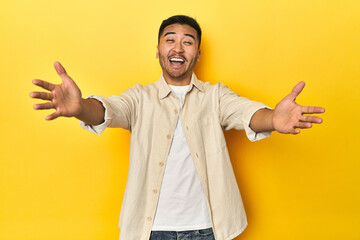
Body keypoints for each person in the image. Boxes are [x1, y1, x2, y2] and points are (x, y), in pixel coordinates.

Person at [30, 15, 325, 240]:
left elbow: (247, 114)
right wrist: (81, 107)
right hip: (150, 230)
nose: (178, 47)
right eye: (170, 39)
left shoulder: (215, 96)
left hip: (207, 229)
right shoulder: (139, 98)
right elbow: (108, 110)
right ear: (158, 50)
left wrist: (273, 119)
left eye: (188, 41)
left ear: (197, 53)